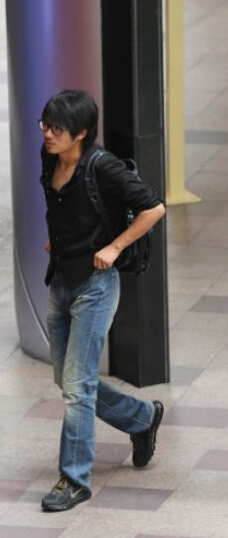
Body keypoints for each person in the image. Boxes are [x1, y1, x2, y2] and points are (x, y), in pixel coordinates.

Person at [39, 89, 166, 512]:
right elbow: (63, 207)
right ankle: (142, 418)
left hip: (95, 286)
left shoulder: (103, 166)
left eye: (57, 128)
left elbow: (154, 208)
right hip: (61, 280)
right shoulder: (50, 158)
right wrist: (59, 240)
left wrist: (114, 246)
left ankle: (74, 480)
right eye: (45, 125)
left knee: (77, 388)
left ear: (80, 133)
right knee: (68, 380)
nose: (47, 134)